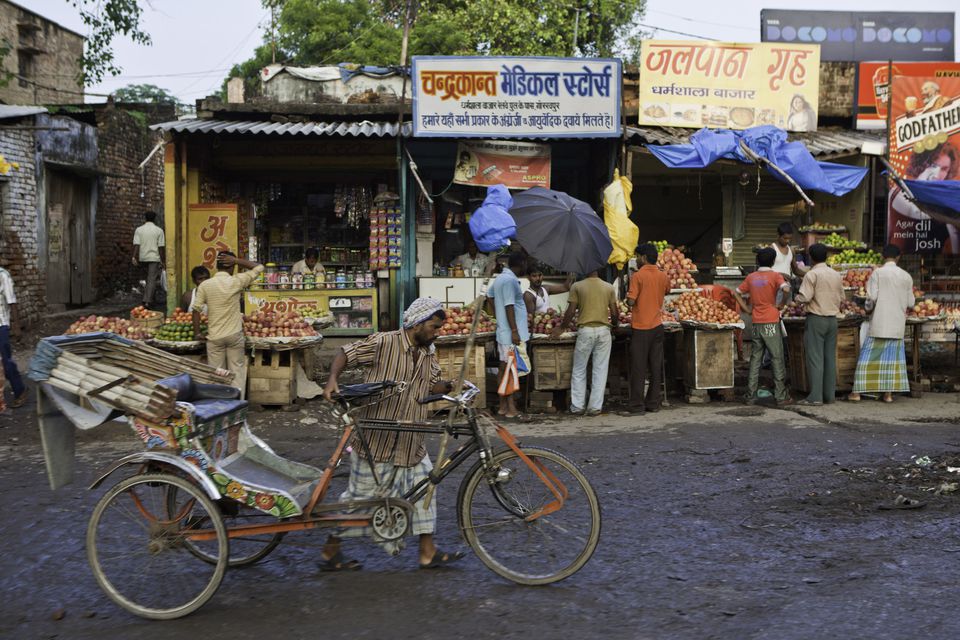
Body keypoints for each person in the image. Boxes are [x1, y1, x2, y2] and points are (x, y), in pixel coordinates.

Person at [320, 297, 462, 570]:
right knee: (358, 501)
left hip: (411, 441)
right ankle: (330, 550)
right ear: (418, 324)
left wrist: (447, 386)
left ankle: (427, 551)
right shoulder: (384, 342)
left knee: (424, 491)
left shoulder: (429, 352)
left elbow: (430, 386)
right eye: (433, 327)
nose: (437, 332)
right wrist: (332, 380)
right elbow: (345, 353)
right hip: (376, 441)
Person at [848, 245, 915, 404]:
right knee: (892, 361)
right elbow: (911, 302)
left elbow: (871, 298)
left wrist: (868, 310)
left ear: (883, 256)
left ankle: (856, 392)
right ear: (898, 257)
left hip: (879, 322)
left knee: (866, 359)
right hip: (897, 324)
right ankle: (888, 395)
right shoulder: (906, 276)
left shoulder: (877, 273)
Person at [192, 252, 263, 399]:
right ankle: (237, 405)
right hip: (234, 336)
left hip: (214, 337)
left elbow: (196, 310)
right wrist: (237, 260)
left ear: (217, 266)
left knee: (217, 373)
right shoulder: (237, 281)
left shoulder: (205, 285)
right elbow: (259, 267)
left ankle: (220, 407)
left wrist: (197, 332)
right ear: (231, 267)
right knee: (236, 372)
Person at [552, 271, 618, 416]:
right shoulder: (608, 287)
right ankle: (595, 407)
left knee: (579, 369)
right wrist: (615, 326)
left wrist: (562, 327)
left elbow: (570, 311)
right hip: (603, 331)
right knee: (600, 370)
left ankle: (577, 406)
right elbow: (614, 313)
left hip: (585, 331)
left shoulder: (577, 286)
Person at [734, 248, 792, 406]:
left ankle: (750, 395)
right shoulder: (775, 276)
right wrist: (780, 303)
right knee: (776, 357)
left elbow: (737, 292)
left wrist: (746, 310)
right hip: (771, 321)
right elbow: (786, 289)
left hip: (756, 322)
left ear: (757, 261)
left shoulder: (751, 277)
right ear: (773, 262)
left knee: (755, 359)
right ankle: (780, 396)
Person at [621, 243, 671, 416]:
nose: (636, 260)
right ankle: (653, 403)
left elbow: (632, 301)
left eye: (637, 257)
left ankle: (636, 405)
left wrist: (628, 299)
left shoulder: (638, 276)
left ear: (643, 258)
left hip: (641, 327)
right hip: (657, 326)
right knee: (655, 366)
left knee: (638, 367)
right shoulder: (663, 275)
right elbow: (667, 290)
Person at [794, 243, 844, 406]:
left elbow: (805, 297)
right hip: (832, 320)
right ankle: (829, 396)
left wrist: (796, 298)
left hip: (816, 319)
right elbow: (842, 297)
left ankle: (815, 396)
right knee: (829, 358)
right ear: (827, 257)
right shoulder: (836, 274)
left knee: (815, 358)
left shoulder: (812, 274)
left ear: (811, 258)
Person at [889, 142, 960, 254]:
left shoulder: (944, 201)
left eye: (944, 169)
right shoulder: (897, 193)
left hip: (935, 264)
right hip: (900, 261)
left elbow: (954, 239)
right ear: (922, 163)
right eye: (933, 165)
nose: (936, 175)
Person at [487, 252, 529, 420]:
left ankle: (503, 406)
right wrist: (513, 330)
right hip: (510, 334)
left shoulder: (500, 278)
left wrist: (499, 317)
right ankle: (511, 407)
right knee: (510, 371)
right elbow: (509, 305)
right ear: (522, 263)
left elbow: (490, 296)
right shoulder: (510, 280)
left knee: (504, 368)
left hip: (504, 331)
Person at [0, 265, 26, 408]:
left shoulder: (3, 275)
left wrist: (16, 326)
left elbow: (12, 302)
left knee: (6, 362)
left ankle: (20, 390)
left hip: (1, 325)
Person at [132, 211, 166, 309]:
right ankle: (147, 301)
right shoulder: (159, 230)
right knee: (151, 280)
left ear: (145, 218)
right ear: (155, 219)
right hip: (154, 258)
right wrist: (163, 260)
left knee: (147, 279)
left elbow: (136, 245)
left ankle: (150, 298)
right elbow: (160, 247)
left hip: (143, 258)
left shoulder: (139, 230)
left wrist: (134, 257)